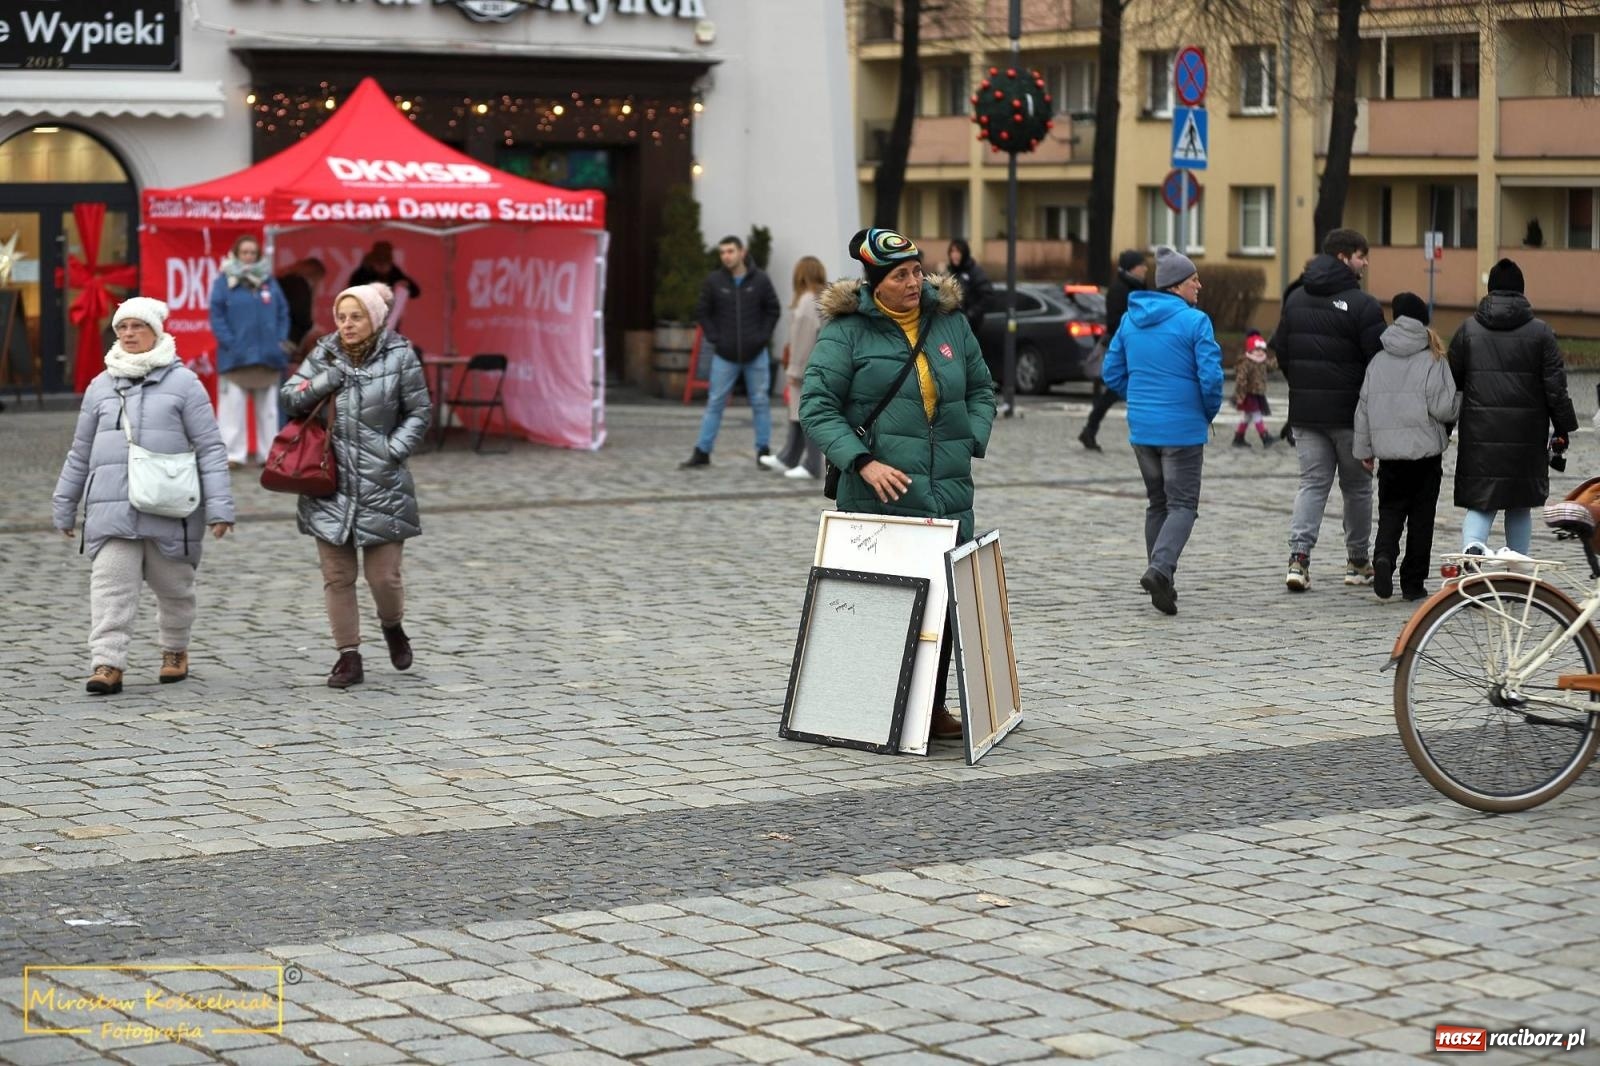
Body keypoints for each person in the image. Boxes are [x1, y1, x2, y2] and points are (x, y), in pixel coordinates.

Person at [801, 227, 996, 739]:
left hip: (949, 488)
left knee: (946, 604)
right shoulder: (845, 334)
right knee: (879, 603)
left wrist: (968, 439)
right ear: (874, 283)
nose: (915, 282)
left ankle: (930, 708)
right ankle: (870, 707)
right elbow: (816, 409)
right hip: (878, 493)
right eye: (901, 275)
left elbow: (981, 387)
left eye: (916, 271)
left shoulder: (949, 323)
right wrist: (861, 461)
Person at [52, 297, 234, 695]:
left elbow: (210, 447)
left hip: (170, 506)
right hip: (111, 507)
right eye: (122, 327)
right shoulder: (100, 387)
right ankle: (107, 662)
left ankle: (174, 650)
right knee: (110, 585)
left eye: (138, 327)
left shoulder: (184, 383)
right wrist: (64, 504)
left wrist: (221, 507)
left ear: (156, 331)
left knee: (175, 589)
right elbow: (80, 451)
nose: (129, 334)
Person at [281, 283, 432, 689]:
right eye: (342, 317)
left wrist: (393, 449)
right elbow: (290, 398)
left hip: (383, 481)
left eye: (356, 316)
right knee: (337, 576)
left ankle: (393, 625)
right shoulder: (325, 352)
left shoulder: (401, 355)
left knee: (385, 577)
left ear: (375, 318)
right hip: (328, 482)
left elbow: (419, 411)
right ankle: (348, 656)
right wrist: (327, 379)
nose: (347, 324)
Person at [1101, 247, 1223, 616]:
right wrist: (1205, 411)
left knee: (1158, 502)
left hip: (1143, 429)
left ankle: (1161, 577)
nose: (1199, 285)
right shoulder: (1195, 322)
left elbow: (1111, 373)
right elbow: (1212, 379)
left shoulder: (1130, 320)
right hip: (1182, 430)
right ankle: (1160, 569)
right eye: (1193, 280)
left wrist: (1139, 399)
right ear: (1175, 287)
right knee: (1183, 505)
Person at [1272, 228, 1387, 592]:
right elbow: (1378, 364)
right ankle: (1357, 562)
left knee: (1312, 485)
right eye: (1360, 255)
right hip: (1352, 416)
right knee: (1356, 488)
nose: (1365, 262)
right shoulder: (1363, 304)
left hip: (1306, 413)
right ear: (1342, 257)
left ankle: (1298, 560)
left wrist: (1303, 388)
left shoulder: (1295, 298)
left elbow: (1284, 354)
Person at [1447, 258, 1577, 557]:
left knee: (1481, 501)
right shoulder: (1541, 332)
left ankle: (1473, 551)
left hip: (1480, 436)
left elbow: (1450, 386)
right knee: (1519, 503)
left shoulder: (1467, 330)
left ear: (1490, 290)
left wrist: (1444, 428)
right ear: (1522, 291)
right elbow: (1556, 388)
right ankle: (1516, 573)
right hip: (1526, 436)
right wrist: (1563, 427)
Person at [1353, 293, 1460, 601]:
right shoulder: (1433, 359)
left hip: (1390, 457)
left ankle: (1383, 557)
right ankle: (1413, 582)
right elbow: (1444, 408)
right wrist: (1459, 403)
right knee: (1421, 519)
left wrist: (1365, 450)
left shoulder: (1378, 360)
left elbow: (1363, 408)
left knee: (1390, 511)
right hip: (1425, 455)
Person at [681, 235, 781, 468]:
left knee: (760, 402)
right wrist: (716, 338)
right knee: (715, 402)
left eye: (730, 251)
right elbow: (702, 312)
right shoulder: (714, 281)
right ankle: (702, 451)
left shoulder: (761, 280)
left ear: (742, 252)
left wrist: (761, 337)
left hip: (755, 353)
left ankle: (763, 452)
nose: (726, 256)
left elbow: (773, 310)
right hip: (724, 354)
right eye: (722, 252)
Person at [209, 233, 289, 467]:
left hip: (267, 356)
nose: (248, 257)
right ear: (236, 254)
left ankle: (269, 454)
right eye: (244, 252)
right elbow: (217, 315)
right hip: (235, 356)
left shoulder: (269, 282)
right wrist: (230, 342)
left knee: (269, 411)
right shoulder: (223, 282)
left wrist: (279, 340)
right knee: (232, 409)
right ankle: (234, 455)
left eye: (252, 253)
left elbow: (282, 312)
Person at [766, 255, 828, 479]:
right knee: (799, 414)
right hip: (816, 366)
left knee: (806, 414)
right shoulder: (821, 298)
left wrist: (794, 370)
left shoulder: (807, 301)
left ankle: (810, 464)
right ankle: (789, 457)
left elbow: (803, 339)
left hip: (806, 367)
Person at [1079, 249, 1146, 452]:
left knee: (1124, 392)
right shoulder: (1120, 290)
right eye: (1141, 265)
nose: (1145, 268)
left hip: (1136, 348)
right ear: (1132, 268)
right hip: (1125, 349)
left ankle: (1090, 430)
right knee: (1119, 392)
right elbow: (1114, 322)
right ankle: (1090, 429)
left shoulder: (1139, 288)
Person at [1231, 330, 1276, 448]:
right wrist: (1240, 394)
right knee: (1256, 414)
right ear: (1251, 350)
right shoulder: (1246, 362)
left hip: (1258, 394)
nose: (1260, 352)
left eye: (1262, 349)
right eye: (1257, 349)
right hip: (1248, 394)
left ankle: (1238, 438)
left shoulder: (1262, 361)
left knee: (1247, 416)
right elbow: (1241, 379)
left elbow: (1271, 366)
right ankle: (1265, 437)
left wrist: (1279, 358)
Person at [277, 257, 327, 357]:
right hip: (287, 338)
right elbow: (301, 313)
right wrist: (310, 326)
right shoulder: (300, 284)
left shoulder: (284, 281)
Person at [348, 241, 421, 300]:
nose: (383, 268)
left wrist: (406, 284)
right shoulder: (362, 273)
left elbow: (415, 292)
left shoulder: (394, 272)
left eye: (386, 265)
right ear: (373, 262)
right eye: (379, 264)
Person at [946, 239, 992, 331]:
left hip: (971, 327)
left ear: (964, 253)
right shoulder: (950, 273)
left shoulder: (974, 272)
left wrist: (971, 314)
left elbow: (987, 296)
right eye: (952, 251)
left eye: (958, 251)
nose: (954, 255)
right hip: (952, 325)